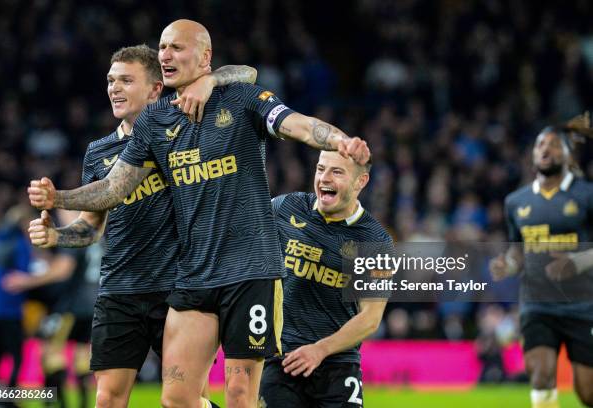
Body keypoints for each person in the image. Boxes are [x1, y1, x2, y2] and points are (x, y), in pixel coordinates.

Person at [27, 19, 370, 408]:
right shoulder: (155, 122)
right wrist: (60, 198)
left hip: (251, 270)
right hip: (194, 274)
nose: (166, 55)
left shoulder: (242, 99)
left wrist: (341, 140)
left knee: (241, 395)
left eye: (177, 47)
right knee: (177, 398)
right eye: (163, 48)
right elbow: (113, 188)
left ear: (205, 57)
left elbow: (300, 126)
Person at [26, 44, 256, 408]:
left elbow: (247, 73)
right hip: (119, 289)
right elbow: (90, 229)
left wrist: (208, 80)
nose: (114, 88)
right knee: (106, 400)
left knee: (187, 398)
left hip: (179, 291)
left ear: (154, 89)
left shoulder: (184, 128)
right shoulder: (98, 151)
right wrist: (56, 235)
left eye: (126, 81)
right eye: (111, 80)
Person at [259, 151, 391, 407]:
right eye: (321, 169)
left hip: (338, 366)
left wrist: (320, 349)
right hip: (282, 359)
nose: (323, 178)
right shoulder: (285, 208)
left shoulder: (375, 240)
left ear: (360, 182)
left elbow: (370, 318)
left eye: (337, 172)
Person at [490, 126, 593, 408]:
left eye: (553, 145)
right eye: (539, 145)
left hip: (583, 306)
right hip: (538, 305)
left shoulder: (587, 195)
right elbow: (518, 251)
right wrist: (508, 264)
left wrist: (577, 261)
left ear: (568, 155)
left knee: (588, 393)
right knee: (540, 375)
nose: (545, 150)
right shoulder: (515, 202)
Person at [4, 208, 100, 408]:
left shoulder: (73, 235)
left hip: (70, 306)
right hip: (94, 303)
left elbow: (63, 270)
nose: (59, 217)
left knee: (49, 353)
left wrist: (26, 281)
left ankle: (60, 404)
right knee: (82, 356)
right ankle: (83, 405)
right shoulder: (96, 235)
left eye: (63, 212)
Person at [0, 204, 35, 389]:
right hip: (9, 311)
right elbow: (23, 275)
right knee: (16, 359)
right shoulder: (19, 244)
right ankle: (9, 399)